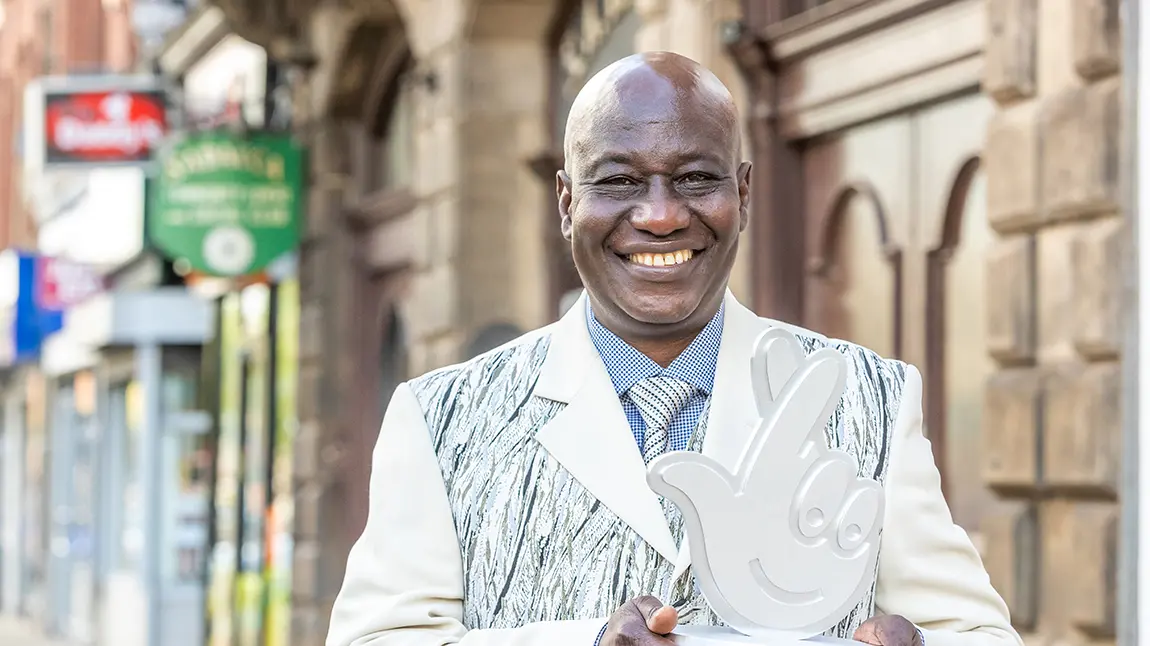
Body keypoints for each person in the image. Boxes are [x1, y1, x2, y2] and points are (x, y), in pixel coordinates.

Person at [326, 52, 1022, 646]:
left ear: (743, 194)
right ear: (567, 203)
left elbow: (978, 633)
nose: (660, 215)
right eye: (620, 181)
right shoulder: (444, 416)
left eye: (695, 178)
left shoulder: (867, 394)